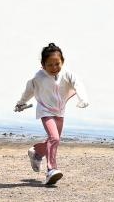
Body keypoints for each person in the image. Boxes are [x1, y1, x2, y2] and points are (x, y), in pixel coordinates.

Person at [14, 42, 89, 186]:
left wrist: (83, 98)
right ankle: (51, 170)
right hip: (45, 111)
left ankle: (36, 152)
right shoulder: (38, 78)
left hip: (60, 111)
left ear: (63, 62)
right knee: (54, 138)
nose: (54, 68)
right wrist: (20, 103)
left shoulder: (67, 74)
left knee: (54, 139)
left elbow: (78, 84)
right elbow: (28, 90)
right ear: (43, 65)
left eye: (57, 64)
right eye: (50, 65)